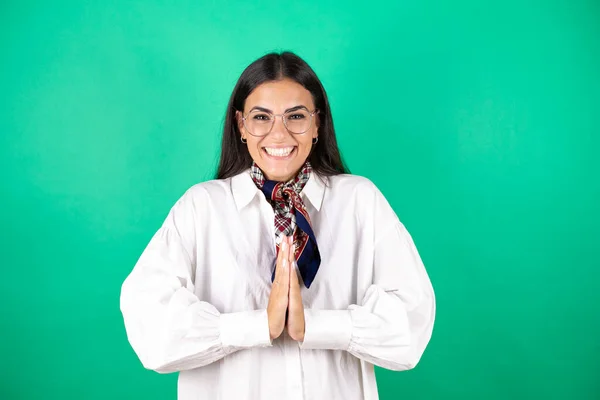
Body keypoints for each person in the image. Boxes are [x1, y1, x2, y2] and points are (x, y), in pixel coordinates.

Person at [120, 51, 436, 400]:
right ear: (241, 125)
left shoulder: (360, 201)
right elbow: (149, 327)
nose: (279, 133)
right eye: (261, 117)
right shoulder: (201, 208)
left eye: (296, 116)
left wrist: (316, 326)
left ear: (318, 124)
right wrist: (257, 326)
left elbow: (412, 325)